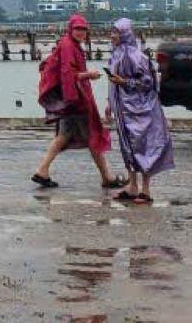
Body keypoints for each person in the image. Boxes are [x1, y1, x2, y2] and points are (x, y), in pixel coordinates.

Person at [32, 14, 124, 190]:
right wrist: (88, 75)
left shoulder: (70, 44)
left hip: (72, 98)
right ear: (70, 29)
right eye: (78, 29)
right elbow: (67, 74)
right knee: (92, 134)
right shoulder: (68, 46)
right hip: (75, 99)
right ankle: (107, 177)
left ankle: (42, 170)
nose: (81, 32)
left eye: (84, 29)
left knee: (64, 135)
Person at [105, 18, 173, 203]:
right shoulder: (116, 53)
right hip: (123, 108)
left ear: (125, 34)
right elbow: (113, 81)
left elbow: (148, 83)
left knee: (143, 145)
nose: (112, 36)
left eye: (116, 32)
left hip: (140, 109)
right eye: (112, 32)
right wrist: (110, 102)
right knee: (127, 146)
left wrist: (125, 82)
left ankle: (146, 190)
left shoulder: (136, 56)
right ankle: (132, 186)